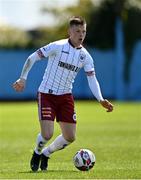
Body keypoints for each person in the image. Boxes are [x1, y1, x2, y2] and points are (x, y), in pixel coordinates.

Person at [12, 16, 113, 172]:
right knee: (47, 134)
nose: (81, 35)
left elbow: (92, 79)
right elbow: (32, 57)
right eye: (77, 31)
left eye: (84, 31)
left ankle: (46, 153)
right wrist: (22, 78)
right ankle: (37, 152)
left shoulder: (86, 56)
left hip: (65, 97)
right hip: (46, 94)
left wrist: (100, 99)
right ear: (69, 32)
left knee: (70, 137)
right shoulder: (57, 46)